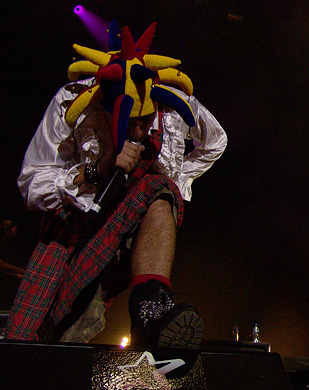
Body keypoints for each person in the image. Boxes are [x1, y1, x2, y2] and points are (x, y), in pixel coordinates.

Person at [6, 22, 227, 349]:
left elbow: (216, 141)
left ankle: (151, 314)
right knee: (33, 338)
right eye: (129, 123)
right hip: (74, 222)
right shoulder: (72, 101)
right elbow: (32, 185)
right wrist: (99, 167)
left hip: (130, 220)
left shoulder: (174, 104)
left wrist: (181, 178)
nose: (138, 132)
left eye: (145, 121)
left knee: (160, 189)